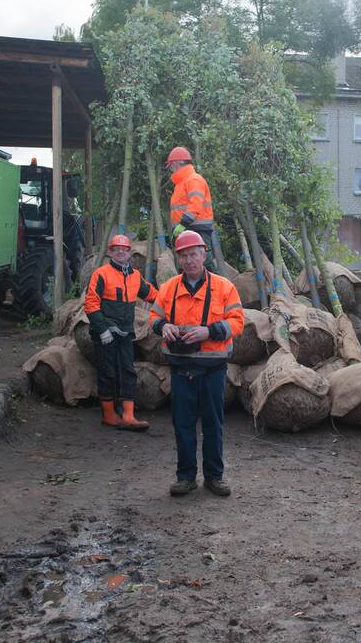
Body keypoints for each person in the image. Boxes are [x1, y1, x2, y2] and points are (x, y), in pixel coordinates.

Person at [149, 230, 244, 497]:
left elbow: (237, 321)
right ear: (179, 259)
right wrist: (163, 326)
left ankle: (214, 477)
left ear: (203, 254)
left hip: (213, 369)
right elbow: (154, 316)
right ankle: (186, 477)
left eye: (193, 254)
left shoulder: (224, 287)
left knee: (213, 424)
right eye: (184, 256)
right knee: (183, 424)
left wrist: (209, 331)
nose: (189, 260)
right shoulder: (169, 288)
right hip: (180, 369)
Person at [83, 234, 158, 432]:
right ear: (110, 252)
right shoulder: (101, 274)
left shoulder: (134, 276)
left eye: (124, 250)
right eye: (116, 250)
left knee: (127, 371)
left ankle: (128, 415)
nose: (121, 253)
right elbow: (91, 303)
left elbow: (151, 294)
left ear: (129, 253)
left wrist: (170, 302)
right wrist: (102, 329)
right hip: (105, 333)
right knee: (107, 372)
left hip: (125, 332)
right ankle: (109, 415)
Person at [165, 146, 217, 270]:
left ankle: (217, 289)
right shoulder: (182, 183)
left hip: (196, 229)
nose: (171, 169)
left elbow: (196, 204)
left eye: (171, 166)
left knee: (204, 264)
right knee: (187, 267)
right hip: (187, 229)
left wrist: (183, 224)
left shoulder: (193, 180)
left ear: (176, 163)